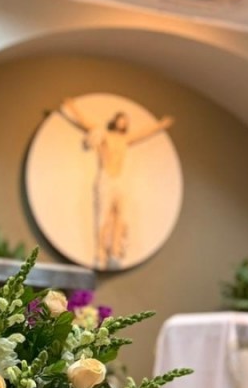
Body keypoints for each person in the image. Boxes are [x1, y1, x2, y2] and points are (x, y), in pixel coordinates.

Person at [60, 99, 173, 269]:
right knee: (103, 217)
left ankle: (115, 251)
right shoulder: (104, 134)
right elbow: (85, 122)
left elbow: (144, 133)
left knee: (121, 216)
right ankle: (100, 253)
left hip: (120, 180)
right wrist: (71, 106)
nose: (123, 123)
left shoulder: (125, 139)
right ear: (115, 121)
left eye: (126, 121)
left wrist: (161, 125)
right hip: (106, 178)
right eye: (121, 119)